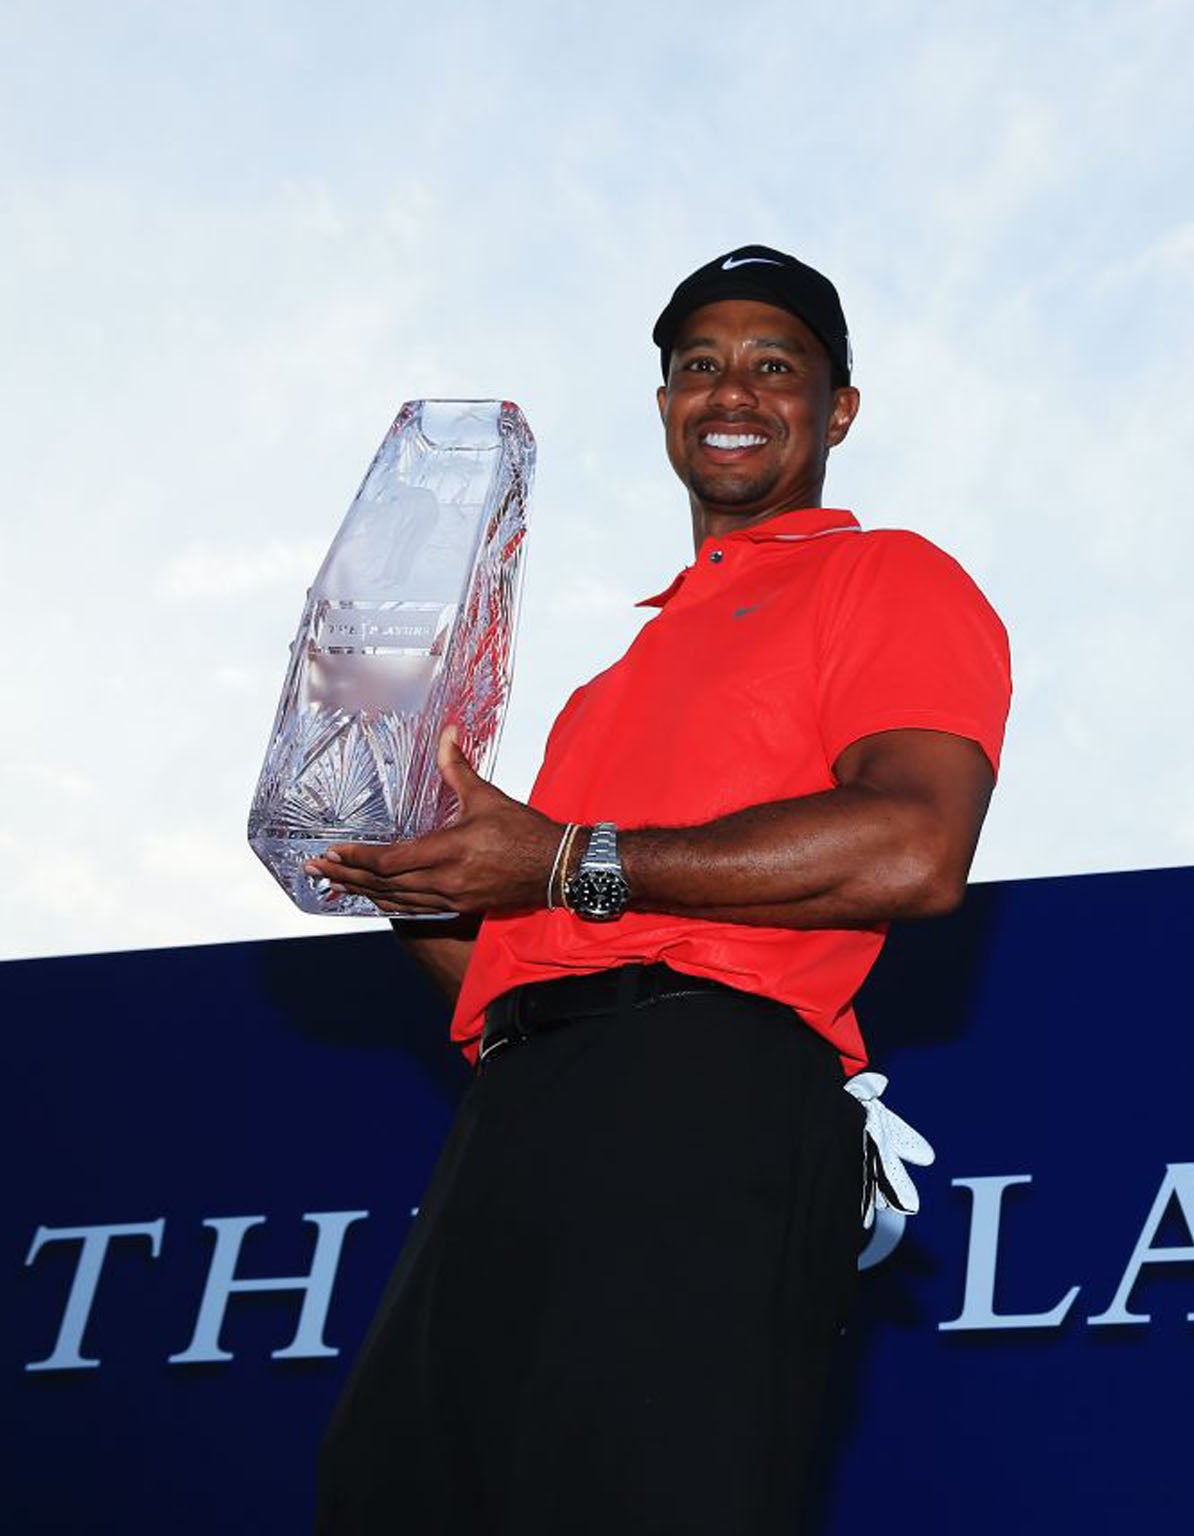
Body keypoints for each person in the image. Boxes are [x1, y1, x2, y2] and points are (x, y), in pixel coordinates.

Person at [307, 245, 1011, 1535]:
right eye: (698, 366)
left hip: (711, 1096)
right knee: (392, 1495)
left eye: (773, 365)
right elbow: (518, 960)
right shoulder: (607, 683)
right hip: (518, 1108)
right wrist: (395, 861)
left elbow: (914, 846)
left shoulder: (890, 575)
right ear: (665, 405)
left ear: (837, 409)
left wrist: (562, 856)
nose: (730, 390)